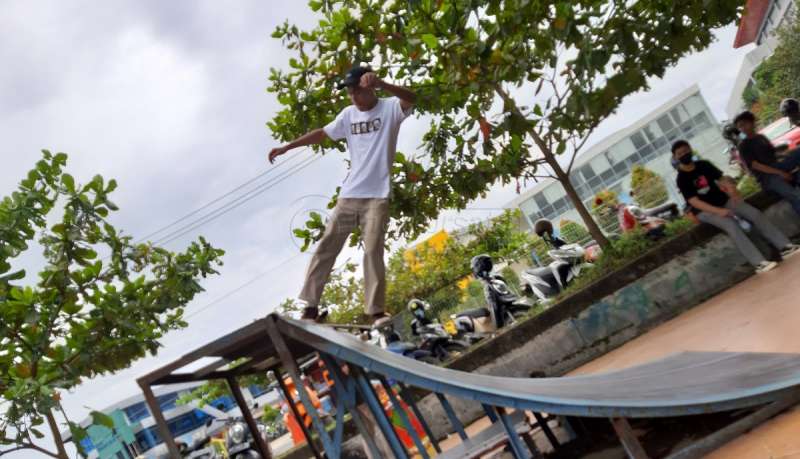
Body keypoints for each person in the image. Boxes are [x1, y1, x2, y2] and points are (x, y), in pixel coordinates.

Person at [268, 66, 415, 326]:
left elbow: (412, 98)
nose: (353, 98)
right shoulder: (348, 115)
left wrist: (383, 83)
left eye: (357, 92)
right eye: (350, 94)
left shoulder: (390, 108)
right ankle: (311, 308)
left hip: (377, 197)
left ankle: (376, 312)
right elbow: (322, 133)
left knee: (372, 251)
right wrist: (288, 146)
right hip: (349, 197)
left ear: (369, 88)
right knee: (327, 247)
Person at [672, 140, 798, 273]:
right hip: (704, 211)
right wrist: (718, 211)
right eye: (680, 153)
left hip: (724, 201)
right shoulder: (681, 179)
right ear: (675, 157)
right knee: (731, 225)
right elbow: (694, 202)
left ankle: (785, 246)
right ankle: (759, 263)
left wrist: (731, 189)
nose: (684, 154)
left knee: (754, 214)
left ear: (691, 150)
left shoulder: (704, 165)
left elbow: (721, 179)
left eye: (686, 151)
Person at [734, 110, 800, 216]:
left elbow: (773, 154)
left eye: (744, 124)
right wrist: (780, 173)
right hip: (767, 177)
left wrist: (786, 155)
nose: (742, 128)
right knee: (795, 196)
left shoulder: (760, 137)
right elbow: (755, 165)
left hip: (778, 166)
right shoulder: (743, 145)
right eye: (739, 127)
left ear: (752, 122)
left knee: (797, 152)